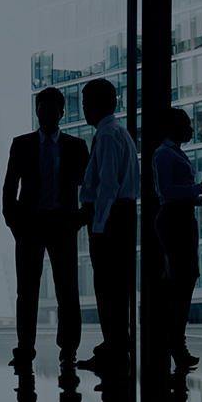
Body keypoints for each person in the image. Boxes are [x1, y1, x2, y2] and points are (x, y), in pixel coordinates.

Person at [2, 87, 90, 372]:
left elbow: (90, 187)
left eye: (53, 111)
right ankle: (25, 350)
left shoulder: (76, 146)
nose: (47, 115)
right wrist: (13, 220)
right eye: (42, 110)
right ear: (36, 111)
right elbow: (9, 185)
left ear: (62, 113)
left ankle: (68, 351)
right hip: (30, 225)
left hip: (63, 225)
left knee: (68, 290)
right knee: (26, 291)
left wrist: (79, 219)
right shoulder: (22, 144)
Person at [152, 108, 202, 372]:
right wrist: (201, 188)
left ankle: (174, 343)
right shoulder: (163, 154)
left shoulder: (174, 152)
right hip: (174, 221)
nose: (192, 130)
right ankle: (175, 344)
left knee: (182, 282)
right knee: (180, 283)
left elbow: (180, 194)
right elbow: (166, 191)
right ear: (173, 127)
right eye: (187, 124)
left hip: (182, 219)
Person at [76, 78, 141, 377]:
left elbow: (108, 186)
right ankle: (115, 345)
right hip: (123, 216)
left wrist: (98, 226)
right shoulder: (119, 132)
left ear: (96, 105)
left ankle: (114, 349)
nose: (84, 109)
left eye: (86, 102)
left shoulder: (106, 135)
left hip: (111, 218)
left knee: (108, 287)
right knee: (117, 287)